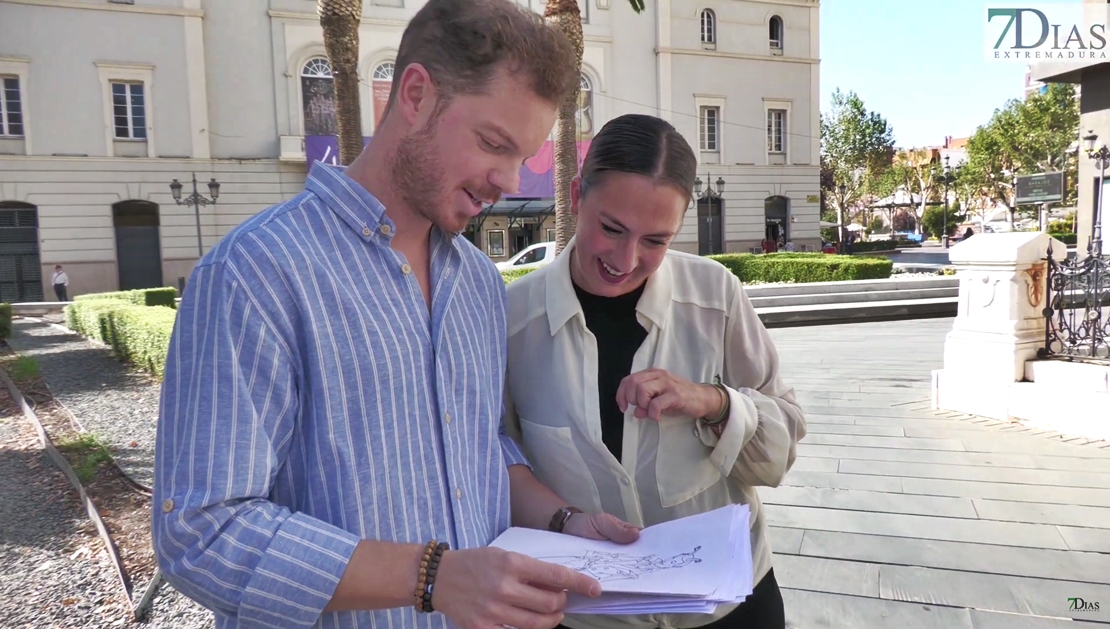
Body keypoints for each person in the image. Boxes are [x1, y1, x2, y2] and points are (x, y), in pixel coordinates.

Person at [151, 1, 641, 627]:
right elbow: (202, 532)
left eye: (523, 156)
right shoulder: (256, 274)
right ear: (414, 95)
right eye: (494, 143)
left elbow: (477, 447)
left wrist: (566, 521)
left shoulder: (478, 283)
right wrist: (431, 578)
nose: (509, 180)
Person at [502, 114, 807, 629]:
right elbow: (497, 459)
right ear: (576, 196)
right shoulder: (513, 321)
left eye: (655, 241)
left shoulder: (717, 296)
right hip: (587, 615)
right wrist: (565, 520)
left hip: (730, 603)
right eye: (611, 228)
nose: (626, 259)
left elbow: (782, 450)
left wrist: (715, 402)